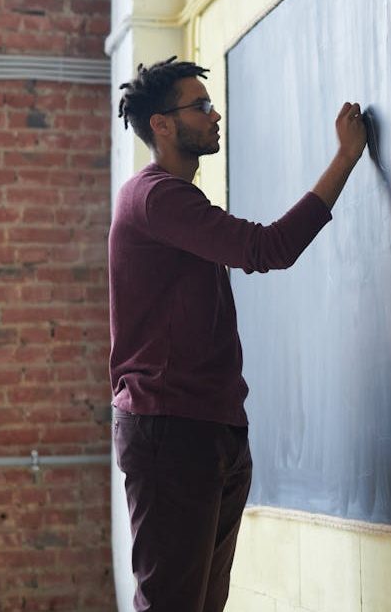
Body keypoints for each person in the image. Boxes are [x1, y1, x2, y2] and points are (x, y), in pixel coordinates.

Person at [108, 56, 367, 612]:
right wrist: (345, 158)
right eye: (200, 107)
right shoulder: (155, 197)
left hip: (209, 428)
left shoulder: (177, 202)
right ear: (161, 124)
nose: (214, 114)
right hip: (170, 429)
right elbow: (267, 248)